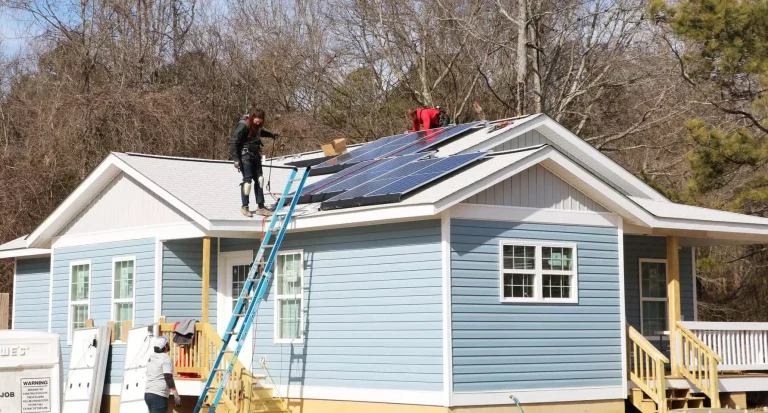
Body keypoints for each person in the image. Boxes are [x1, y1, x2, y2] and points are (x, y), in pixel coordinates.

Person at [230, 107, 279, 217]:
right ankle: (245, 207)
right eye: (257, 118)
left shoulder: (256, 126)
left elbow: (260, 133)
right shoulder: (243, 125)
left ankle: (261, 207)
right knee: (247, 182)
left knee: (260, 180)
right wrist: (236, 159)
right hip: (245, 156)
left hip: (255, 155)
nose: (258, 121)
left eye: (260, 119)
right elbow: (234, 142)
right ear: (253, 117)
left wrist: (271, 135)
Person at [144, 336, 182, 413]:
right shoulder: (166, 358)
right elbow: (168, 377)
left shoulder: (151, 357)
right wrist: (176, 395)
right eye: (167, 344)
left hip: (148, 393)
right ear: (165, 346)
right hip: (159, 395)